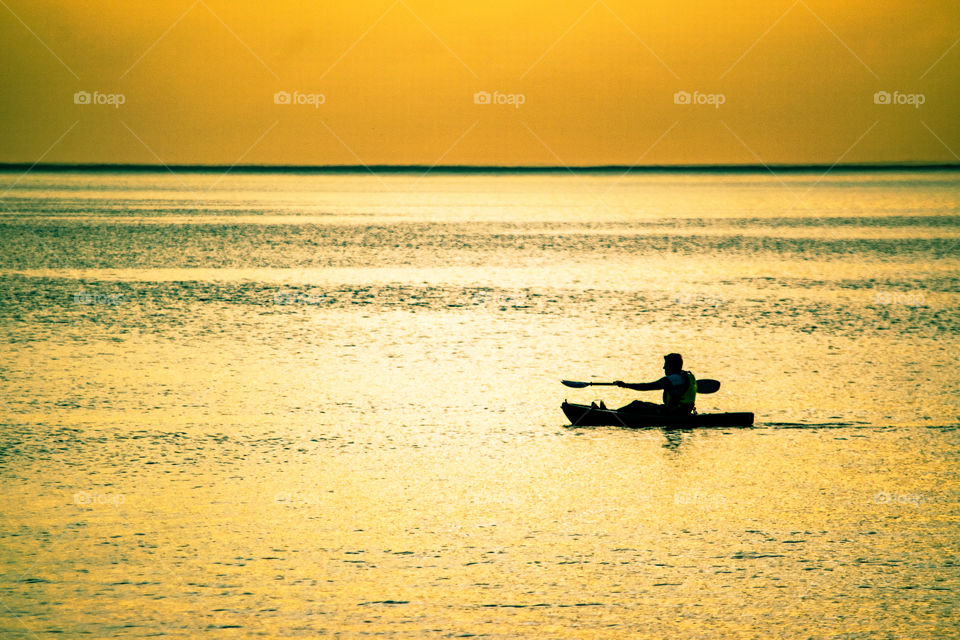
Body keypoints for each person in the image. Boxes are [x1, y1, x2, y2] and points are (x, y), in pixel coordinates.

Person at [613, 353, 696, 415]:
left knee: (636, 404)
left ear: (672, 366)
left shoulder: (674, 379)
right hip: (682, 411)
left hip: (674, 413)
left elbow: (647, 387)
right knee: (645, 404)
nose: (664, 367)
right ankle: (615, 412)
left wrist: (625, 385)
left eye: (666, 365)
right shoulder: (687, 376)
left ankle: (614, 414)